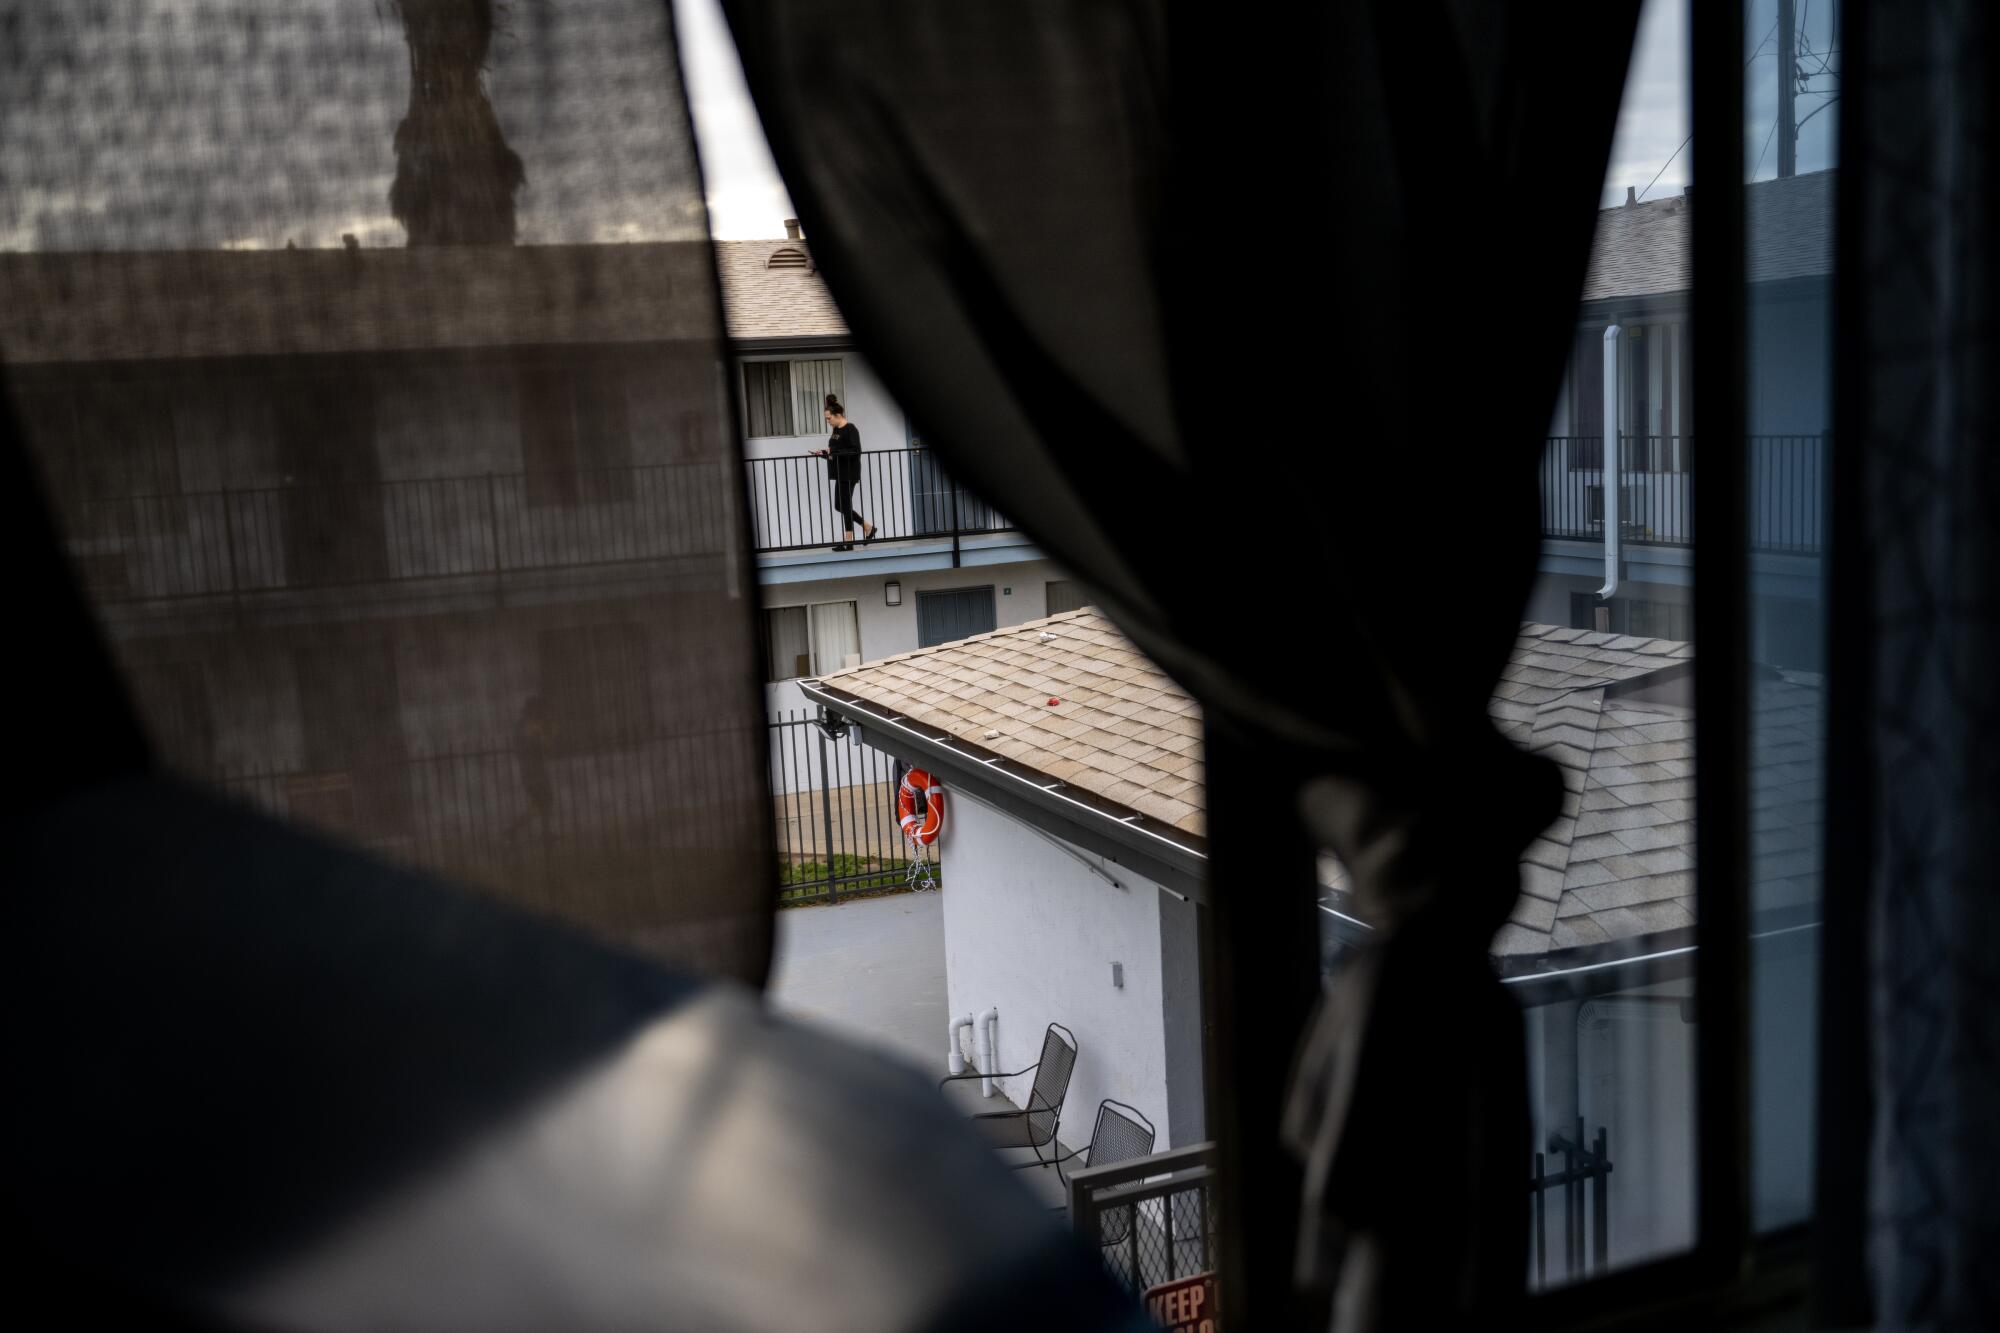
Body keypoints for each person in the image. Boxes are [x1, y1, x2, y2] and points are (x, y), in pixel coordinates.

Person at [813, 394, 876, 550]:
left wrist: (835, 452)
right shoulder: (836, 429)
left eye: (829, 418)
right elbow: (835, 450)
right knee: (839, 505)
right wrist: (824, 453)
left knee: (845, 505)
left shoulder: (850, 429)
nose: (828, 421)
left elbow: (856, 450)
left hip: (849, 472)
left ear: (838, 415)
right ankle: (868, 527)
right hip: (839, 471)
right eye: (826, 418)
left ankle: (849, 541)